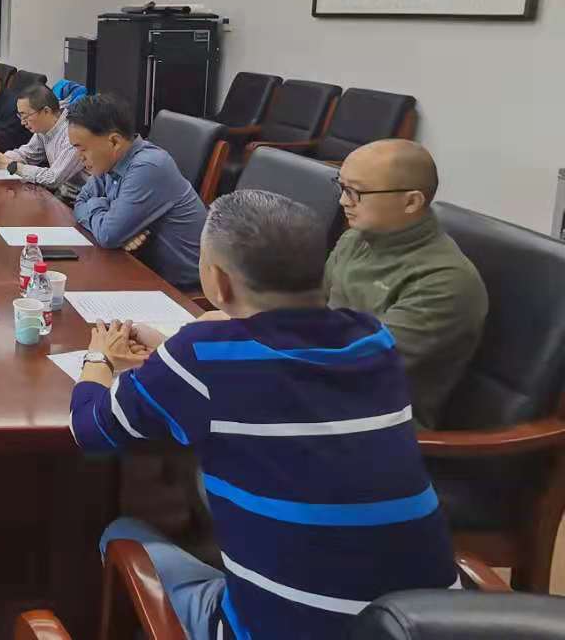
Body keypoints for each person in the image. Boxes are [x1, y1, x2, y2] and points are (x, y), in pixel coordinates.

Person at [74, 190, 460, 640]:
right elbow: (283, 371)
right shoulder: (373, 339)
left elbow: (90, 429)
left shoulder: (201, 356)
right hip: (430, 626)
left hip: (280, 631)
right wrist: (182, 349)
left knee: (121, 533)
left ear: (219, 282)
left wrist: (98, 360)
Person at [327, 139, 487, 429]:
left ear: (411, 202)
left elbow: (363, 361)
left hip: (377, 421)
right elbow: (313, 311)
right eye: (341, 186)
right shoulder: (354, 240)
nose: (343, 201)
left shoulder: (445, 280)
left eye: (355, 192)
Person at [68, 93, 206, 290]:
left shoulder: (147, 167)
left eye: (82, 149)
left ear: (114, 142)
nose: (78, 157)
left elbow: (107, 235)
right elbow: (80, 201)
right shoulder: (109, 162)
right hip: (139, 267)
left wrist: (105, 214)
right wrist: (110, 218)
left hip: (180, 289)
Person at [0, 85, 83, 190]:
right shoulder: (44, 128)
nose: (22, 122)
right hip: (58, 192)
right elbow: (26, 154)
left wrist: (10, 164)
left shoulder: (73, 132)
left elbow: (53, 178)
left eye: (25, 116)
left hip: (74, 197)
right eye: (20, 116)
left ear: (46, 111)